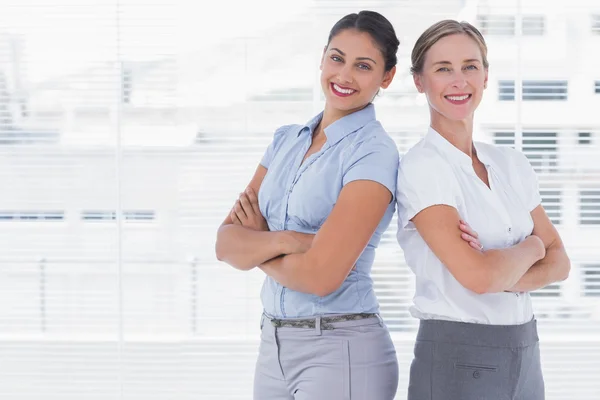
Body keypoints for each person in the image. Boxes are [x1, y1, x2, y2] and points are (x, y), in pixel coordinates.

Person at [215, 10, 401, 400]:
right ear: (322, 58)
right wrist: (291, 240)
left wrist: (258, 244)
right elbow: (225, 245)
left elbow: (321, 277)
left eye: (363, 66)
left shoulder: (373, 152)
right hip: (273, 344)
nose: (345, 75)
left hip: (340, 345)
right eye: (337, 58)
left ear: (387, 77)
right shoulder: (286, 141)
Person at [396, 19, 571, 400]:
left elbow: (561, 263)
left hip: (525, 350)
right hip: (458, 356)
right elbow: (480, 278)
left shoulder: (510, 164)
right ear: (419, 81)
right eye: (443, 69)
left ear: (486, 76)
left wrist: (501, 270)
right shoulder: (424, 167)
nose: (459, 81)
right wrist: (532, 249)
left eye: (470, 66)